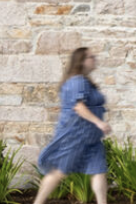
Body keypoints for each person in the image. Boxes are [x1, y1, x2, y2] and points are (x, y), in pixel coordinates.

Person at [34, 47, 110, 204]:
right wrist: (99, 122)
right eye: (91, 57)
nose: (94, 58)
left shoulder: (85, 81)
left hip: (91, 137)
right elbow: (79, 107)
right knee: (59, 172)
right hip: (76, 135)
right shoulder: (77, 81)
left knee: (99, 170)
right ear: (81, 61)